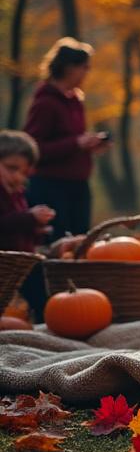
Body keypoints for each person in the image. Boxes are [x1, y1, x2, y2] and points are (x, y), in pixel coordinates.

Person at [23, 37, 105, 242]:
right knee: (56, 244)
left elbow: (70, 141)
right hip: (51, 186)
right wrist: (75, 143)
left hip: (77, 185)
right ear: (69, 68)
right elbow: (32, 148)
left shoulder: (76, 100)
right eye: (84, 67)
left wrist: (88, 146)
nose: (87, 72)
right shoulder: (46, 103)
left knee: (80, 243)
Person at [0, 131, 56, 322]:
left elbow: (17, 224)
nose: (17, 176)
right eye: (11, 168)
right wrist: (29, 218)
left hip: (22, 259)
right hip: (6, 260)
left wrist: (36, 230)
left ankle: (46, 321)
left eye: (23, 172)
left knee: (40, 287)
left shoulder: (17, 193)